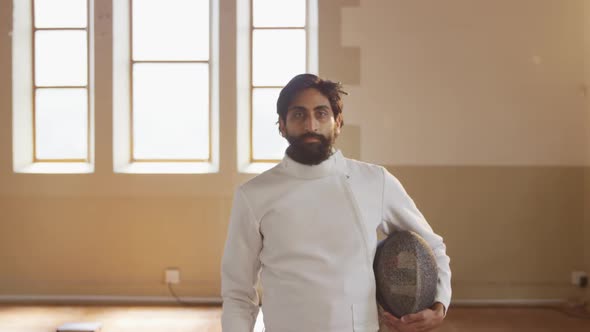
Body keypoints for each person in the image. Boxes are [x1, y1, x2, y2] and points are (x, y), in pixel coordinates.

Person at [221, 73, 451, 332]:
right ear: (282, 126)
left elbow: (432, 245)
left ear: (338, 122)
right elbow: (238, 293)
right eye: (299, 114)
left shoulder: (375, 181)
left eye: (321, 114)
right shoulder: (254, 195)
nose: (311, 125)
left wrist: (439, 304)